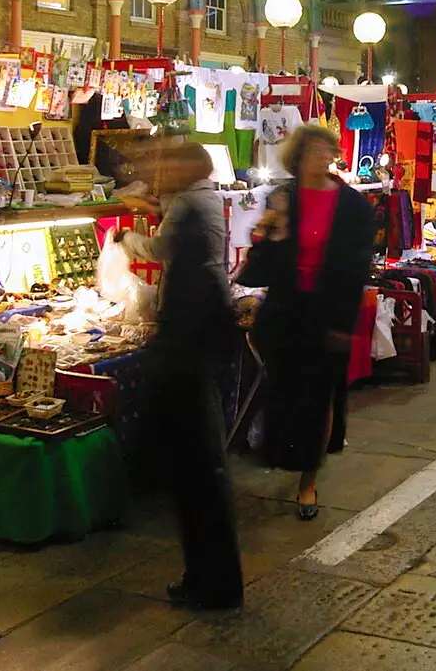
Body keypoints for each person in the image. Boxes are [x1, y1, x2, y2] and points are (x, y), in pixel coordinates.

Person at [120, 142, 243, 610]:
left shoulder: (189, 205)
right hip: (200, 342)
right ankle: (210, 579)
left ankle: (212, 584)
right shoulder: (203, 199)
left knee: (199, 474)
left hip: (189, 347)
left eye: (167, 165)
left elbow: (159, 249)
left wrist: (126, 239)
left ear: (188, 168)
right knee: (201, 473)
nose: (159, 172)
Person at [244, 124, 374, 520]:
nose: (322, 157)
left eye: (326, 150)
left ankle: (308, 482)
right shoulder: (282, 198)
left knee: (321, 398)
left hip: (328, 311)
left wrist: (343, 323)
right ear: (297, 156)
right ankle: (284, 456)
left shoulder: (352, 206)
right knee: (284, 393)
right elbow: (261, 266)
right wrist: (264, 235)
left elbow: (356, 268)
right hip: (286, 310)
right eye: (314, 150)